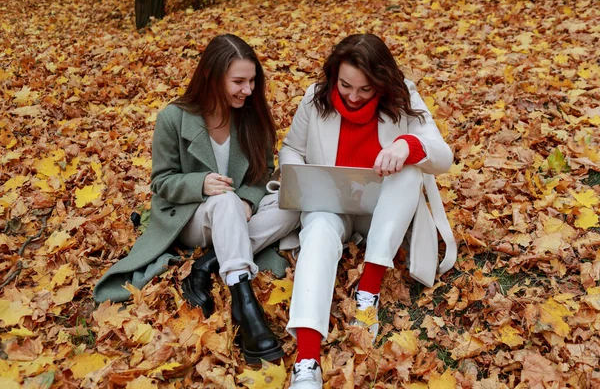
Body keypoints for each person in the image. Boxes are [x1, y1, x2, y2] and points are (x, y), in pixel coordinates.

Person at [93, 34, 300, 365]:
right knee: (223, 203)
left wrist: (247, 199)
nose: (248, 90)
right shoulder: (173, 118)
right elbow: (161, 182)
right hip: (191, 217)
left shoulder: (252, 115)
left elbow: (263, 174)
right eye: (238, 82)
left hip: (239, 214)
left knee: (292, 202)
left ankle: (209, 264)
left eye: (252, 81)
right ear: (211, 76)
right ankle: (245, 305)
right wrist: (199, 183)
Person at [278, 34, 455, 388]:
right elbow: (290, 149)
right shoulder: (315, 99)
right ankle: (307, 360)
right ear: (334, 76)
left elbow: (442, 155)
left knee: (409, 169)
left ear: (382, 82)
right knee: (317, 234)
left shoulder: (403, 96)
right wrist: (299, 176)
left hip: (384, 207)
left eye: (365, 89)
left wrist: (407, 144)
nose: (354, 97)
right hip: (329, 203)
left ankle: (368, 292)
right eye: (345, 85)